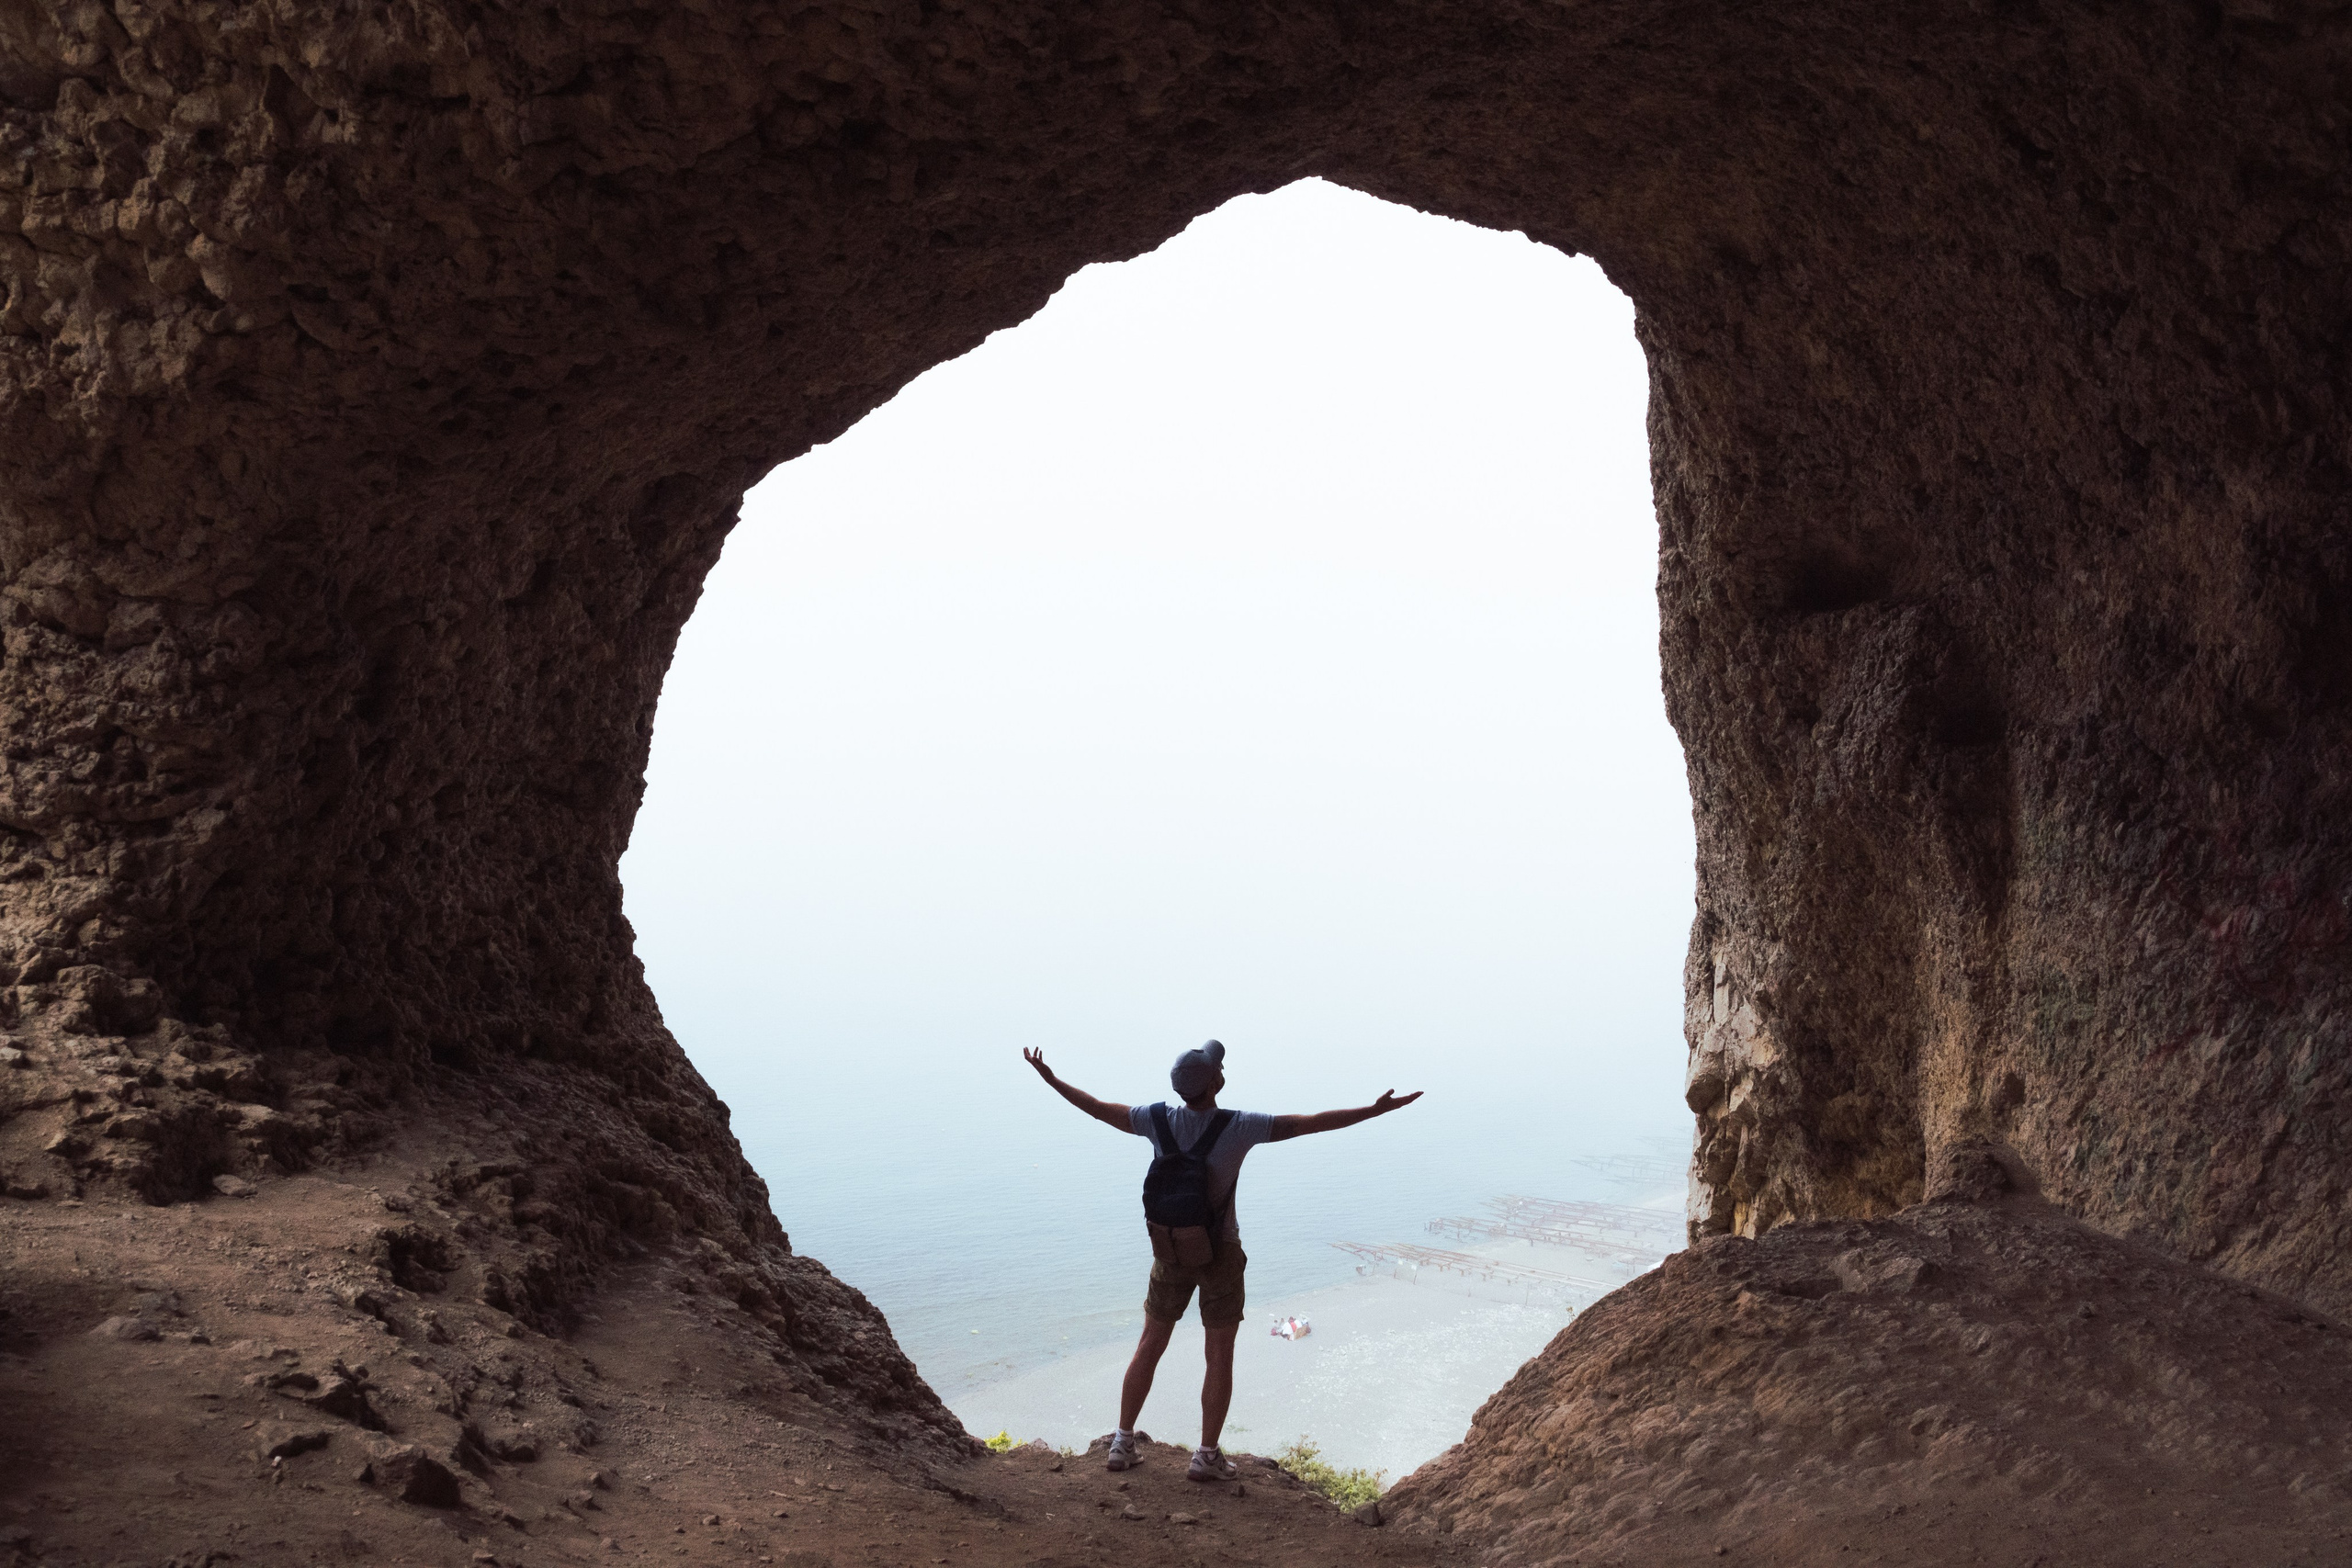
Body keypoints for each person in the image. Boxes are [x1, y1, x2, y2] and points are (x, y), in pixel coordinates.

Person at [1021, 1038, 1423, 1481]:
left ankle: (1121, 1442)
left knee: (1149, 1345)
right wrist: (1374, 1110)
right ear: (1216, 1081)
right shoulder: (1239, 1127)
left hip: (1170, 1249)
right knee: (1219, 1355)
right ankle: (1206, 1455)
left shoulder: (1153, 1119)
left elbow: (1097, 1108)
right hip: (1220, 1252)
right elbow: (1311, 1124)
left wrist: (1051, 1079)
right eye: (1217, 1068)